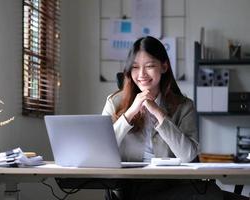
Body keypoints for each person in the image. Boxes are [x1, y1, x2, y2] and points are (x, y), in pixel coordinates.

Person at [102, 36, 245, 200]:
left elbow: (188, 156)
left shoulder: (184, 106)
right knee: (212, 194)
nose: (141, 74)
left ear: (164, 67)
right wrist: (130, 113)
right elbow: (101, 149)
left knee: (214, 193)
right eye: (135, 67)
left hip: (168, 186)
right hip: (127, 188)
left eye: (149, 66)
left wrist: (159, 114)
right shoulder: (115, 102)